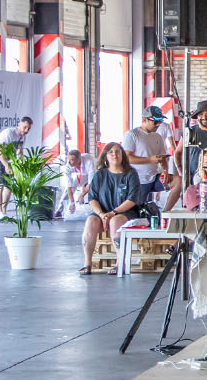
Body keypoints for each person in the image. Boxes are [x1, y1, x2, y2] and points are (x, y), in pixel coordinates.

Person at [80, 143, 144, 274]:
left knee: (115, 221)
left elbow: (132, 199)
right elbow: (92, 199)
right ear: (105, 156)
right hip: (102, 213)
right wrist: (102, 214)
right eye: (110, 152)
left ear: (122, 155)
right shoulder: (99, 175)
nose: (114, 154)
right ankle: (87, 263)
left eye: (117, 152)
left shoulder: (131, 174)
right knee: (91, 221)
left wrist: (112, 213)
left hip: (125, 213)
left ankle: (120, 263)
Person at [121, 107, 171, 210]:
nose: (158, 125)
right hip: (138, 179)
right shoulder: (132, 135)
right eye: (155, 122)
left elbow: (163, 158)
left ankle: (166, 212)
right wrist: (149, 160)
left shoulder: (158, 136)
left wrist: (165, 171)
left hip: (154, 176)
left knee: (178, 182)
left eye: (160, 121)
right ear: (145, 120)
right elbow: (127, 158)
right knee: (138, 210)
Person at [0, 117, 33, 214]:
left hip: (10, 161)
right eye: (24, 127)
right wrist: (6, 165)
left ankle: (4, 211)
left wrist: (21, 164)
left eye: (28, 128)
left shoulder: (23, 137)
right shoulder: (8, 133)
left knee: (9, 185)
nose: (26, 130)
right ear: (19, 125)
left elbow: (20, 151)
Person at [62, 147, 95, 214]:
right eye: (69, 159)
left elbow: (90, 183)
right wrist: (72, 202)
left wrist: (82, 195)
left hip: (94, 171)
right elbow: (69, 186)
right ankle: (61, 210)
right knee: (70, 187)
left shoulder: (89, 161)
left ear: (79, 159)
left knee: (95, 187)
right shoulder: (68, 166)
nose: (70, 162)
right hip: (81, 173)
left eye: (72, 160)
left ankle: (95, 209)